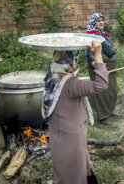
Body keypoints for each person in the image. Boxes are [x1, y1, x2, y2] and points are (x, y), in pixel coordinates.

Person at [43, 40, 108, 184]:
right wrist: (97, 55)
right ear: (70, 61)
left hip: (60, 137)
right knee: (72, 174)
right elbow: (101, 85)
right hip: (71, 139)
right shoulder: (71, 84)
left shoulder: (52, 78)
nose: (76, 63)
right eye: (76, 59)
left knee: (70, 168)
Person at [85, 13, 118, 125]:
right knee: (102, 91)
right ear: (94, 22)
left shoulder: (104, 35)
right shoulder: (91, 36)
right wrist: (100, 69)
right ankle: (103, 117)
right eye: (98, 20)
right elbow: (90, 57)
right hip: (99, 66)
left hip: (110, 67)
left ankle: (110, 110)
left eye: (102, 20)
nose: (101, 22)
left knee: (112, 88)